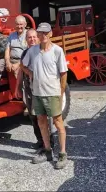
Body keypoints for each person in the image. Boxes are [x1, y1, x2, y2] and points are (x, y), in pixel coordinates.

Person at [22, 22, 68, 169]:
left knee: (58, 123)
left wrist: (60, 93)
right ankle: (48, 151)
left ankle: (62, 154)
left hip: (52, 92)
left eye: (45, 33)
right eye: (40, 33)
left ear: (50, 34)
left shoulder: (57, 51)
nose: (43, 35)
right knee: (41, 121)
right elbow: (23, 65)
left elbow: (63, 74)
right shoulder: (33, 51)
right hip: (37, 93)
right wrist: (30, 73)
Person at [16, 29, 54, 150]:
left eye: (34, 37)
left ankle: (49, 143)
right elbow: (21, 71)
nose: (32, 39)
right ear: (26, 40)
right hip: (29, 90)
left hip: (43, 90)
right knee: (33, 117)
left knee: (45, 116)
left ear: (37, 38)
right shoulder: (25, 53)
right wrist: (18, 88)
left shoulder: (43, 51)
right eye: (29, 38)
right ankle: (39, 140)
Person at [0, 15, 28, 93]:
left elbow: (29, 52)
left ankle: (21, 95)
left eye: (21, 24)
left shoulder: (28, 35)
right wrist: (7, 62)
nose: (19, 26)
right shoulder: (12, 35)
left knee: (17, 73)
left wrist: (18, 64)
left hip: (22, 60)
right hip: (11, 59)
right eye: (17, 24)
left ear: (25, 24)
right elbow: (7, 49)